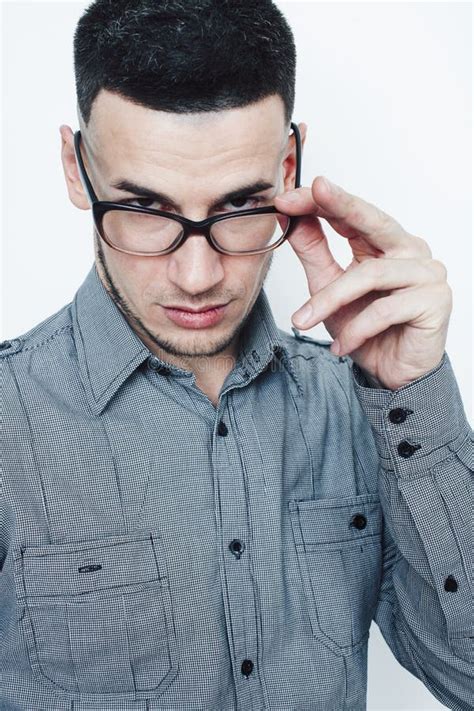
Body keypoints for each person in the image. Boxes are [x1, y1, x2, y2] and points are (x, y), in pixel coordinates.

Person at [0, 1, 472, 709]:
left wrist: (413, 395)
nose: (197, 276)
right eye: (147, 212)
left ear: (289, 166)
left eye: (238, 207)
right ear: (77, 170)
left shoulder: (360, 406)